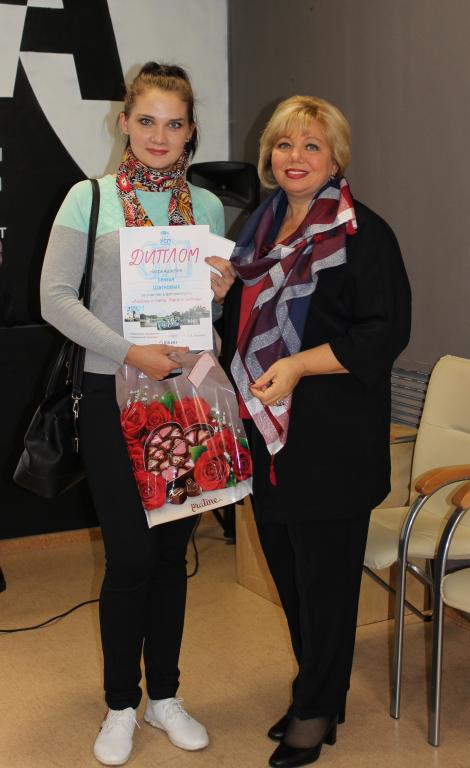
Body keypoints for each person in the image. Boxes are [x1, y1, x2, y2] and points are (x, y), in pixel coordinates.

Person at [40, 62, 235, 766]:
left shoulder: (205, 207)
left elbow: (203, 318)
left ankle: (166, 697)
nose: (159, 135)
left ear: (190, 131)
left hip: (184, 398)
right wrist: (130, 352)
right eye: (146, 120)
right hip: (109, 394)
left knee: (171, 555)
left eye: (173, 123)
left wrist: (218, 296)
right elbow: (54, 299)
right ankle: (121, 702)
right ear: (124, 121)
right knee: (128, 556)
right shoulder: (88, 199)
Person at [218, 95, 411, 768]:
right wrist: (221, 296)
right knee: (291, 576)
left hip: (334, 440)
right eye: (284, 144)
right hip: (269, 437)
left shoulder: (363, 233)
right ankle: (319, 689)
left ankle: (317, 706)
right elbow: (242, 330)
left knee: (325, 582)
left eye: (311, 146)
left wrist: (300, 364)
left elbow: (384, 332)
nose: (295, 157)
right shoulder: (256, 232)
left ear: (335, 159)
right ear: (268, 156)